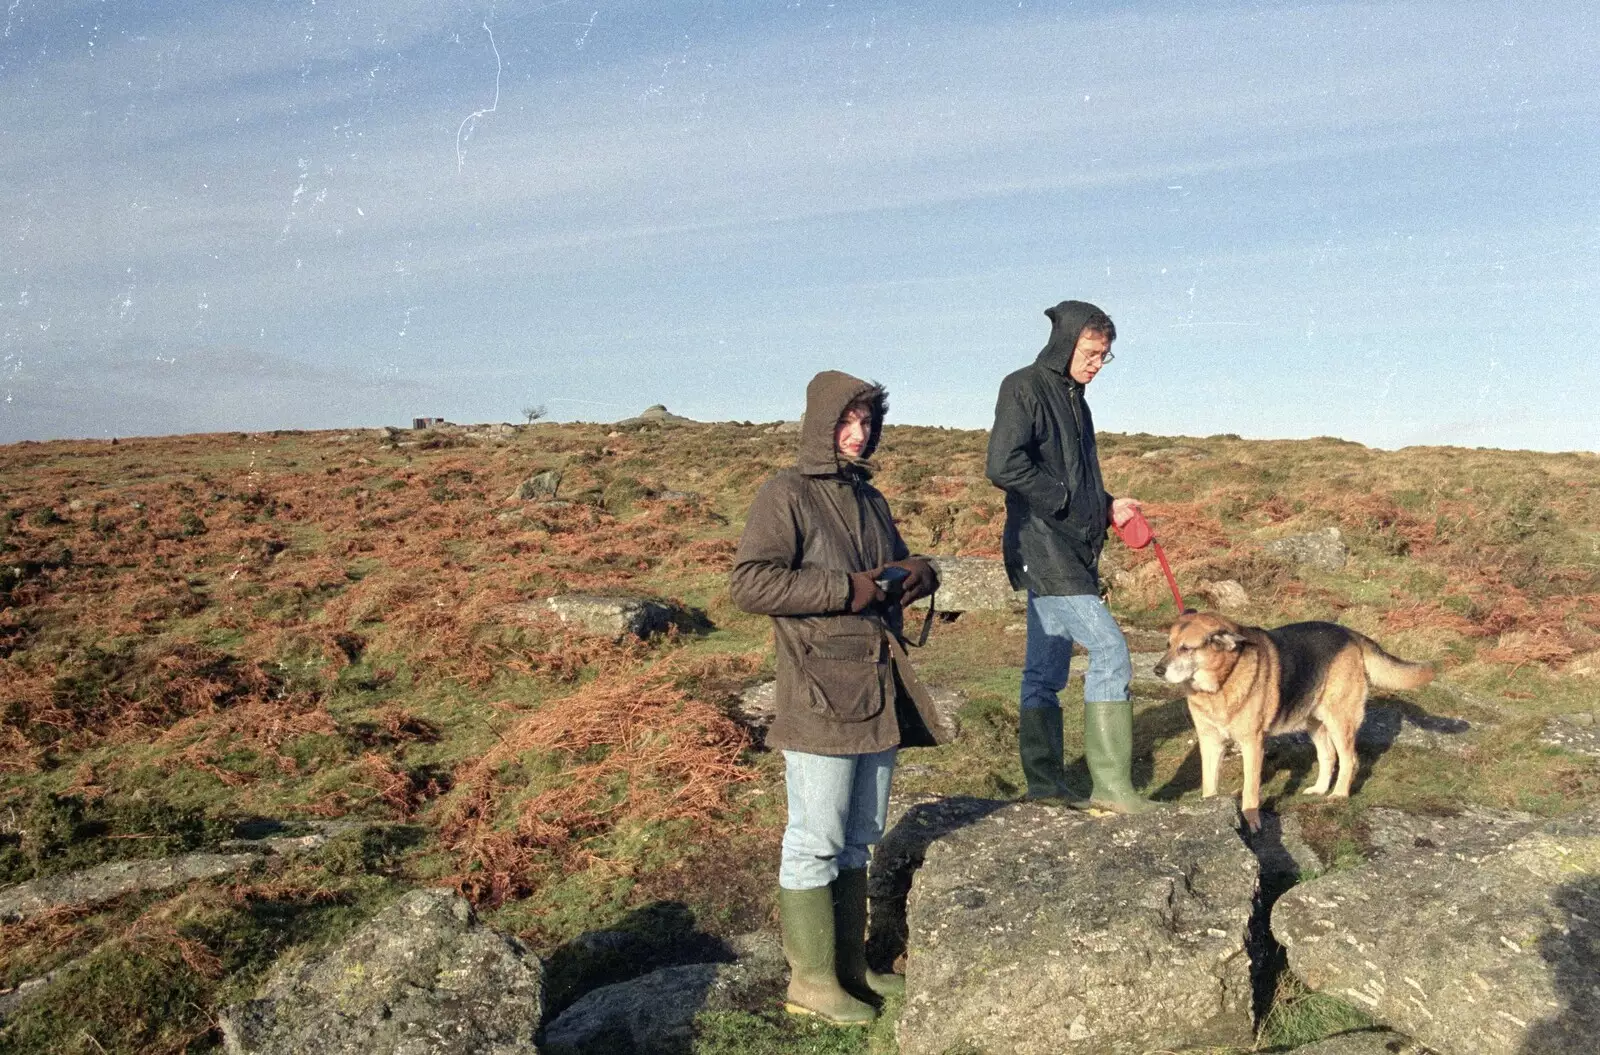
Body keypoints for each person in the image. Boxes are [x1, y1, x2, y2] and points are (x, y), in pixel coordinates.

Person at [730, 370, 951, 1025]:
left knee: (857, 841)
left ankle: (852, 970)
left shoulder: (870, 499)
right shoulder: (786, 494)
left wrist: (917, 573)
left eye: (867, 422)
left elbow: (891, 568)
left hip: (877, 688)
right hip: (820, 692)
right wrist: (847, 589)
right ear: (820, 424)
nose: (858, 434)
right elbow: (752, 584)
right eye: (846, 421)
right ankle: (813, 983)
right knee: (813, 840)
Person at [985, 300, 1154, 812]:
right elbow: (1004, 464)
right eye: (1090, 351)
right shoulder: (1024, 387)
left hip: (1071, 548)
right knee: (1111, 652)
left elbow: (1075, 478)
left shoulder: (1077, 401)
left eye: (1105, 355)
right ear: (1065, 344)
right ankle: (1112, 788)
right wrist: (1063, 502)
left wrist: (1105, 506)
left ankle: (1045, 787)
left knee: (1045, 670)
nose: (1097, 362)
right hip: (1043, 545)